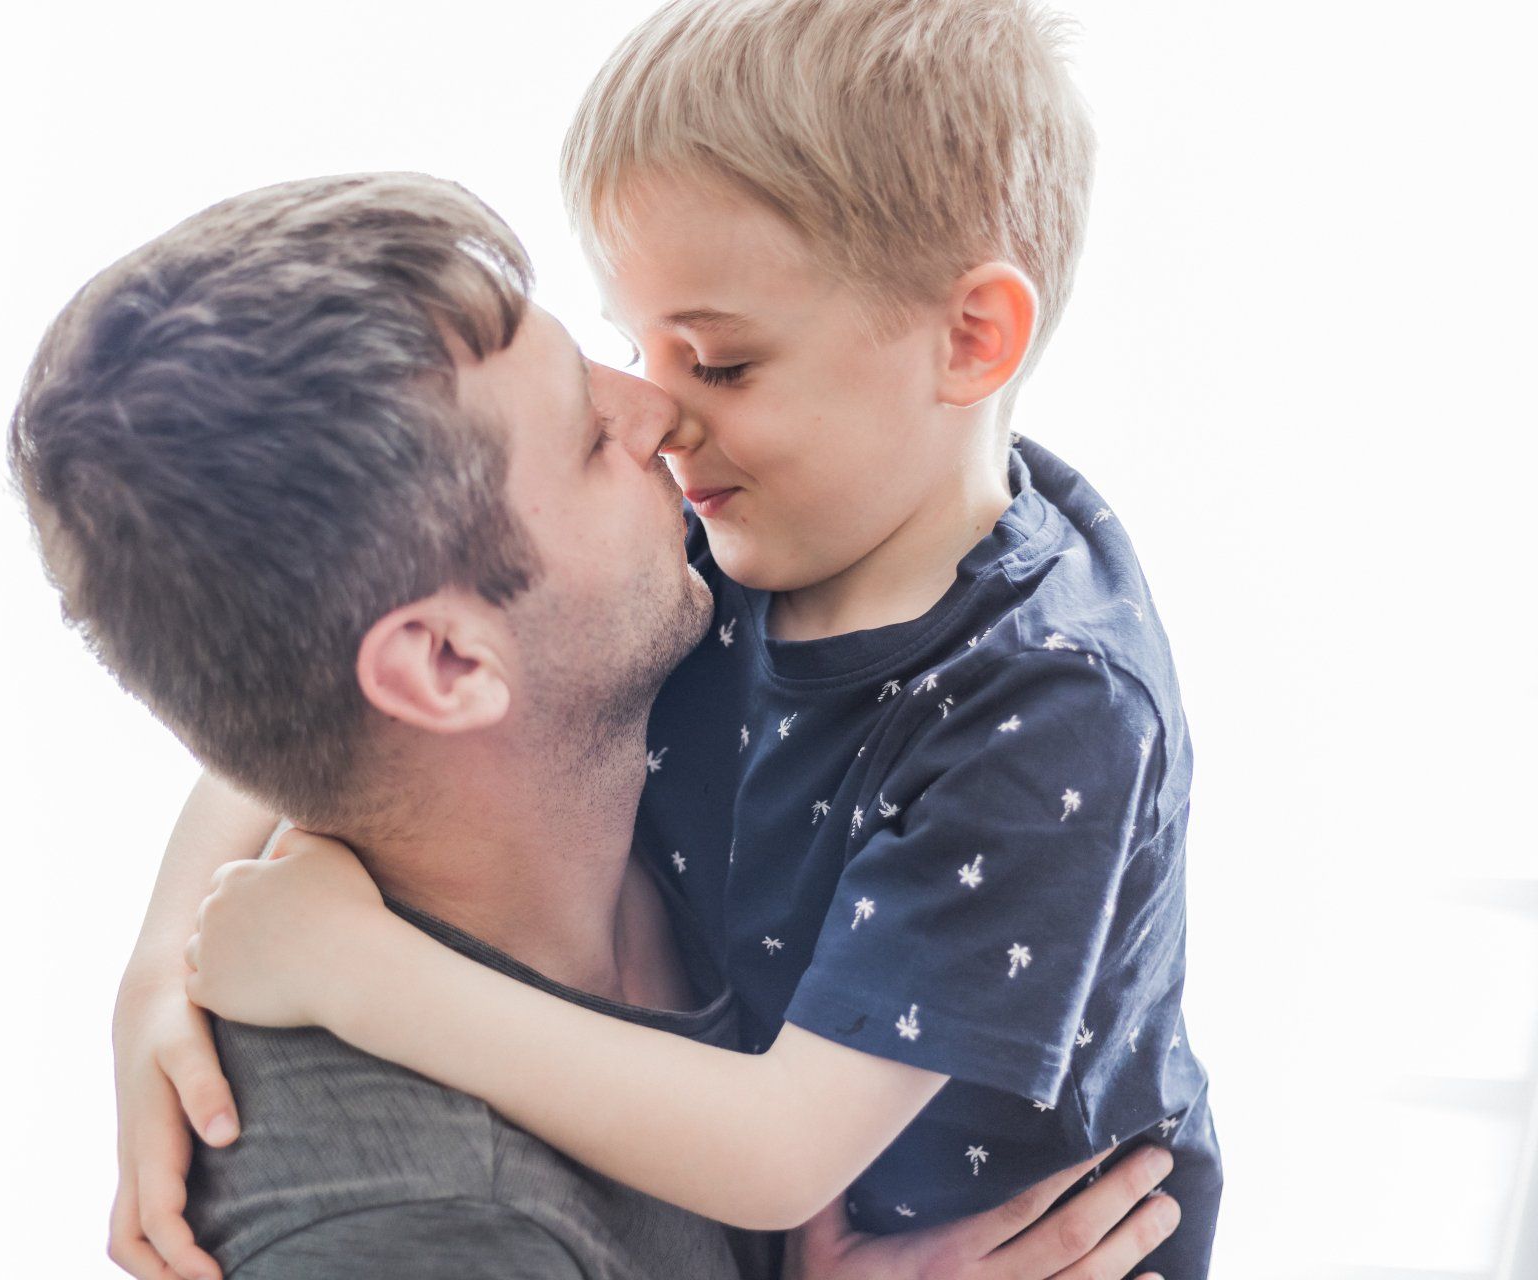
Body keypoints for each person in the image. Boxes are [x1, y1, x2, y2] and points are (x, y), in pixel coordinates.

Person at [180, 0, 1220, 1276]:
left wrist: (355, 970)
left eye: (718, 364)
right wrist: (167, 954)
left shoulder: (1048, 701)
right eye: (635, 343)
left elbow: (779, 1150)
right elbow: (319, 674)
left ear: (968, 340)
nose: (655, 413)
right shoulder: (771, 517)